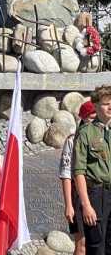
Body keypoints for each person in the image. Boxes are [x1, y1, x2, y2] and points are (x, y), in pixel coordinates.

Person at [74, 86, 111, 254]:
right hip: (96, 195)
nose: (110, 107)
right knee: (97, 247)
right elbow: (79, 172)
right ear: (96, 106)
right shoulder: (86, 133)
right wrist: (86, 205)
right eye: (106, 104)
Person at [59, 100, 96, 255]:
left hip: (100, 194)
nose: (95, 121)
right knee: (82, 245)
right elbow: (66, 174)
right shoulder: (72, 140)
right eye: (92, 118)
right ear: (84, 118)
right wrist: (69, 205)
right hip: (79, 196)